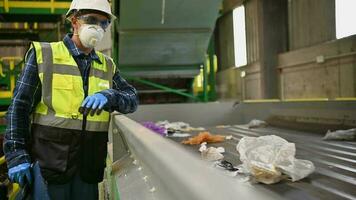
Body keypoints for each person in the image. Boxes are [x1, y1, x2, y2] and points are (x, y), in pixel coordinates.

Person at [3, 0, 138, 199]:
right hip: (49, 164)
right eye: (92, 20)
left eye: (104, 23)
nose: (98, 27)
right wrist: (16, 155)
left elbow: (132, 99)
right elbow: (19, 107)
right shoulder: (44, 54)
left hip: (88, 169)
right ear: (74, 21)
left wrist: (110, 95)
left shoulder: (107, 65)